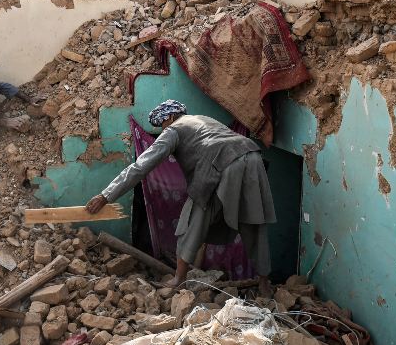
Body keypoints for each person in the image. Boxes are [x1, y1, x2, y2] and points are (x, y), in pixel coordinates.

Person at [86, 100, 276, 296]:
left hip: (221, 163)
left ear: (169, 117)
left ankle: (179, 279)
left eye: (161, 125)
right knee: (254, 223)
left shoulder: (173, 130)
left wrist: (106, 195)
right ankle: (264, 284)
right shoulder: (204, 120)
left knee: (190, 220)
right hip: (253, 157)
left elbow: (141, 166)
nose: (162, 129)